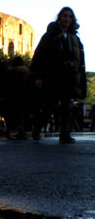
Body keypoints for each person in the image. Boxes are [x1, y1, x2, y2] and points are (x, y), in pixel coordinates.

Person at [30, 7, 86, 143]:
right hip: (53, 75)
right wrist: (37, 76)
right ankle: (37, 129)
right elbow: (39, 55)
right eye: (64, 16)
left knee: (67, 106)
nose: (67, 19)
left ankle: (64, 135)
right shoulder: (50, 35)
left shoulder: (74, 38)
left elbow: (79, 60)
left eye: (69, 16)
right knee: (50, 105)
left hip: (68, 76)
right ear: (60, 18)